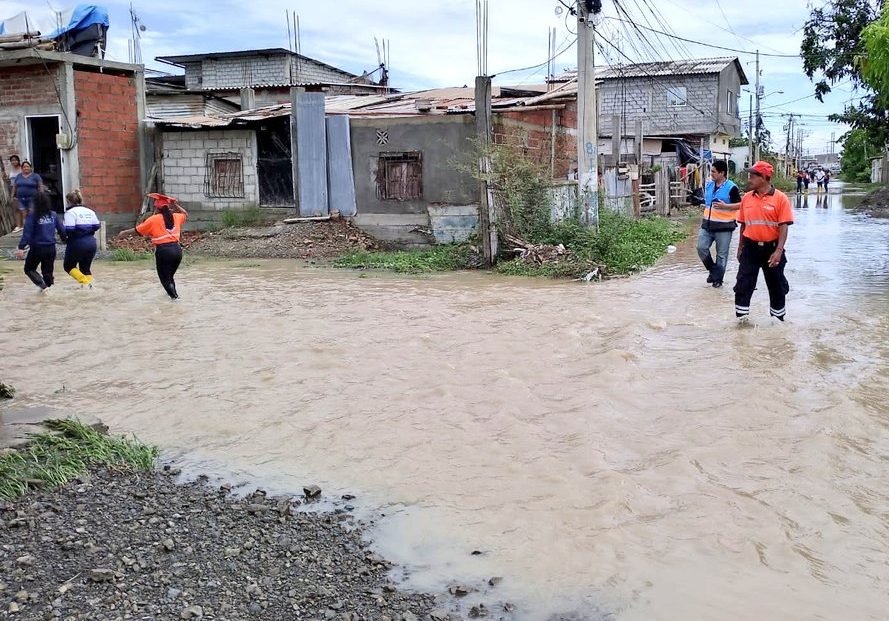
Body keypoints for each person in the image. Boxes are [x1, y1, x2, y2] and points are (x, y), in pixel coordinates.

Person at [733, 161, 794, 322]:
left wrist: (779, 251)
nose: (749, 179)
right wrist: (740, 248)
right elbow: (743, 225)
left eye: (753, 176)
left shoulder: (780, 199)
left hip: (772, 250)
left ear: (764, 178)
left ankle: (778, 322)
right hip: (750, 249)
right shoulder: (746, 198)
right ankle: (741, 323)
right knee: (743, 285)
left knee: (776, 288)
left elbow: (784, 227)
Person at [117, 193, 188, 299]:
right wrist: (175, 205)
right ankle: (170, 296)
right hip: (177, 251)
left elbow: (138, 230)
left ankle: (175, 299)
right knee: (169, 277)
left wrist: (124, 233)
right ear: (168, 208)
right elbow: (185, 213)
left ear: (157, 208)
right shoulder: (176, 217)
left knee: (164, 279)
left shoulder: (154, 219)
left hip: (164, 251)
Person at [696, 159, 741, 288]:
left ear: (722, 173)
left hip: (724, 226)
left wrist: (726, 206)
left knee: (722, 255)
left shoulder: (731, 187)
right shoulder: (709, 185)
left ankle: (718, 280)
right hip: (707, 225)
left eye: (714, 172)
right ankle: (713, 271)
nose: (711, 174)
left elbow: (741, 204)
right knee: (701, 248)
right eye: (711, 171)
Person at [15, 191, 66, 291]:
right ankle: (50, 290)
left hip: (37, 248)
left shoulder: (32, 216)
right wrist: (65, 240)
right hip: (51, 248)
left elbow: (27, 233)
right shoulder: (53, 215)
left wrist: (21, 247)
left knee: (29, 269)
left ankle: (42, 286)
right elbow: (62, 231)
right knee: (48, 273)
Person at [62, 189, 101, 287]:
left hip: (77, 243)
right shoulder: (90, 211)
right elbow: (97, 226)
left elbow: (69, 229)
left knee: (68, 266)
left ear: (68, 201)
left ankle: (85, 283)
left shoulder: (70, 213)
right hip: (92, 243)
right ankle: (91, 285)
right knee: (85, 268)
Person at [12, 160, 43, 233]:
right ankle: (27, 228)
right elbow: (14, 186)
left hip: (33, 198)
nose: (26, 168)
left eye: (27, 166)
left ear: (31, 168)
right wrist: (12, 195)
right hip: (21, 198)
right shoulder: (18, 176)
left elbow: (40, 185)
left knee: (32, 213)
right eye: (24, 167)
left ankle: (34, 227)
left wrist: (41, 195)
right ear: (22, 168)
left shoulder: (35, 176)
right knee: (24, 213)